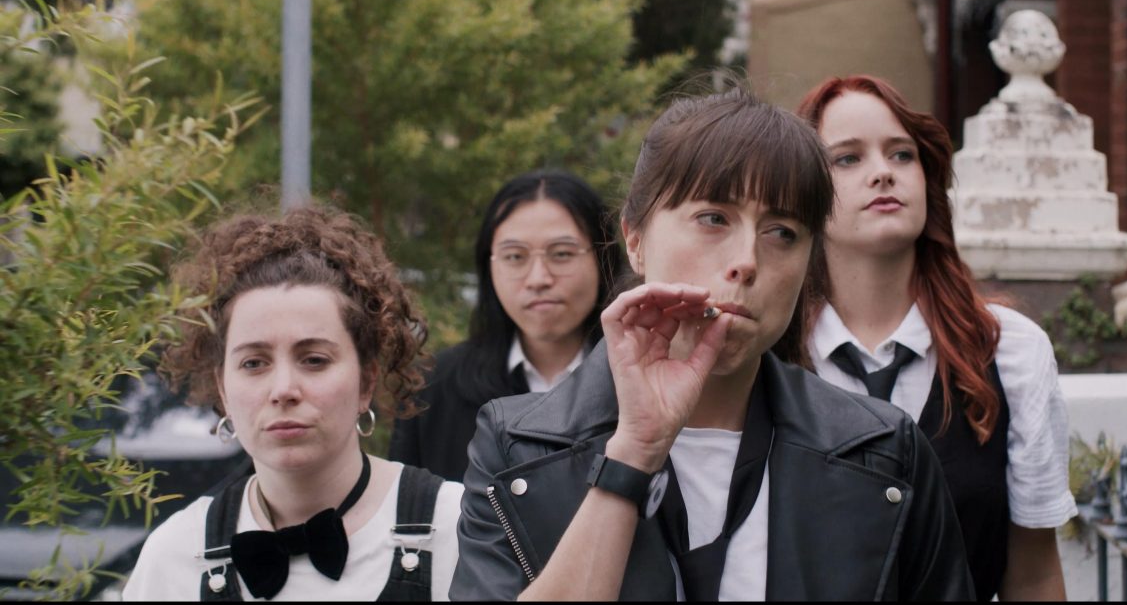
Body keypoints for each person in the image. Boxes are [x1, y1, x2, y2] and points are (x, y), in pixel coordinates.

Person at [450, 85, 975, 601]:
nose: (747, 259)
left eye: (782, 232)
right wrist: (634, 451)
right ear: (634, 239)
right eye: (713, 218)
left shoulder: (883, 451)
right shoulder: (517, 446)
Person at [794, 75, 1077, 601]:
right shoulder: (771, 357)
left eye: (901, 155)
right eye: (847, 159)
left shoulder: (1009, 349)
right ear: (804, 192)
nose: (882, 173)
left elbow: (1034, 575)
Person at [123, 206, 463, 601]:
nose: (283, 388)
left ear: (367, 379)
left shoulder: (457, 528)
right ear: (222, 387)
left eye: (314, 360)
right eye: (254, 363)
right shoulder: (176, 555)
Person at [389, 169, 621, 481]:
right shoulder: (433, 391)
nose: (538, 278)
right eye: (515, 257)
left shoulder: (639, 380)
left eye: (562, 253)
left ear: (604, 258)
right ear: (489, 266)